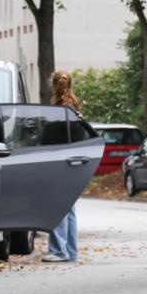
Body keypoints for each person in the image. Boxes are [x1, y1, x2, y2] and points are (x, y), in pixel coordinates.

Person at [43, 70, 82, 263]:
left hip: (58, 163)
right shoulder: (75, 108)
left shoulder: (57, 112)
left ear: (54, 86)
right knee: (69, 208)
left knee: (58, 206)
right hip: (74, 163)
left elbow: (50, 140)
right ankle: (71, 252)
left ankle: (59, 251)